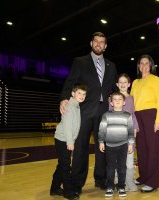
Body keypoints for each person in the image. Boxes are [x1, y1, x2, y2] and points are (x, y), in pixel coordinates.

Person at [59, 32, 118, 195]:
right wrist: (64, 98)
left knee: (102, 148)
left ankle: (101, 178)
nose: (99, 44)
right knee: (80, 148)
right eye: (96, 42)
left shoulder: (111, 65)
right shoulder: (80, 62)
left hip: (103, 112)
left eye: (102, 42)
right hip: (84, 111)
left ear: (105, 46)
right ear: (91, 43)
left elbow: (113, 88)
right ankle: (77, 183)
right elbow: (70, 81)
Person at [130, 55, 159, 192]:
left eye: (146, 63)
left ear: (150, 66)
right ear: (138, 66)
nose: (144, 65)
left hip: (151, 115)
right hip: (137, 116)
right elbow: (130, 101)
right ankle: (143, 176)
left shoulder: (155, 79)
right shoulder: (135, 82)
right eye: (141, 63)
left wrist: (158, 120)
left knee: (152, 149)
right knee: (142, 149)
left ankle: (152, 181)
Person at [50, 83, 87, 200]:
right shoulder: (70, 106)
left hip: (65, 139)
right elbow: (67, 126)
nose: (82, 96)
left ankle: (54, 188)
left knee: (62, 165)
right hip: (63, 139)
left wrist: (71, 140)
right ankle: (68, 191)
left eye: (84, 94)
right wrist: (70, 142)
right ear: (73, 94)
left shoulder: (76, 105)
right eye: (79, 93)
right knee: (66, 166)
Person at [99, 92, 135, 197]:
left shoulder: (128, 115)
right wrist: (101, 141)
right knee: (110, 168)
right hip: (109, 146)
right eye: (115, 99)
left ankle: (121, 187)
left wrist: (130, 144)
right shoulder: (106, 115)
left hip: (123, 145)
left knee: (122, 168)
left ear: (124, 102)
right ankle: (110, 186)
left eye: (120, 99)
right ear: (111, 102)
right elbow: (102, 130)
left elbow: (130, 131)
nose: (117, 101)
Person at [109, 73, 139, 192]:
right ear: (117, 84)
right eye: (120, 82)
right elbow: (109, 115)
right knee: (116, 159)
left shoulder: (131, 98)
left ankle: (129, 181)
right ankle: (117, 182)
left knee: (129, 159)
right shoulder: (112, 98)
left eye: (125, 82)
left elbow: (134, 115)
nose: (122, 84)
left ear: (129, 84)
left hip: (129, 133)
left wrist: (135, 128)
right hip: (116, 134)